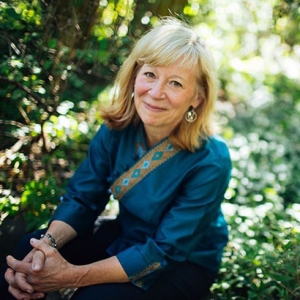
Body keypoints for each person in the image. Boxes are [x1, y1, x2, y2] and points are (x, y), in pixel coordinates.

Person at [1, 17, 231, 300]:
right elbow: (83, 199)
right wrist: (46, 247)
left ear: (197, 97)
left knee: (94, 298)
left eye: (175, 83)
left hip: (182, 263)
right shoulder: (116, 130)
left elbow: (163, 251)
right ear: (135, 75)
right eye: (150, 75)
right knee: (27, 251)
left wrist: (69, 276)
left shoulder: (211, 160)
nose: (156, 93)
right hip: (127, 234)